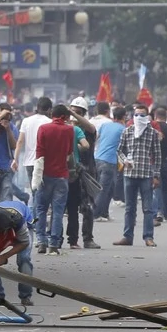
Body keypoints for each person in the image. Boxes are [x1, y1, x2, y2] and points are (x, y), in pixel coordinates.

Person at [113, 104, 162, 248]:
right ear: (132, 116)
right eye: (136, 115)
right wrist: (125, 161)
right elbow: (119, 151)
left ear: (147, 117)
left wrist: (156, 175)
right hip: (129, 174)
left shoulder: (152, 133)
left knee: (147, 209)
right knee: (129, 208)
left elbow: (157, 156)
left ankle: (148, 237)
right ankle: (127, 236)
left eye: (142, 115)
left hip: (146, 174)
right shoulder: (127, 132)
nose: (139, 118)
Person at [33, 104, 75, 255]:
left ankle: (41, 241)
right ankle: (54, 243)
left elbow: (39, 151)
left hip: (44, 174)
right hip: (61, 175)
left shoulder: (43, 129)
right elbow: (69, 151)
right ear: (64, 116)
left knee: (41, 209)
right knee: (58, 211)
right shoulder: (69, 130)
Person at [0, 200, 35, 307]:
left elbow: (24, 243)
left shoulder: (18, 221)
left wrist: (4, 256)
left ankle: (25, 296)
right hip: (3, 227)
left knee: (24, 259)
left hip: (24, 227)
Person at [64, 97, 99, 249]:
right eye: (71, 111)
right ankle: (72, 239)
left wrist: (73, 114)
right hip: (70, 171)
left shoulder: (87, 130)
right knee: (71, 206)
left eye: (77, 112)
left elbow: (91, 128)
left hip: (87, 172)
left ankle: (88, 238)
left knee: (87, 207)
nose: (73, 115)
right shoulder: (67, 129)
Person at [93, 106, 127, 221]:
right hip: (110, 161)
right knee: (103, 189)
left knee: (110, 188)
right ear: (124, 117)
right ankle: (96, 214)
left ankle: (104, 213)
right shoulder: (123, 129)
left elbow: (97, 139)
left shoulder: (104, 126)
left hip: (98, 158)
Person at [13, 98, 51, 194]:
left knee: (35, 191)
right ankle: (39, 208)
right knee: (43, 192)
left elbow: (20, 141)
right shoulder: (50, 122)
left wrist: (15, 159)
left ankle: (35, 208)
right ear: (49, 109)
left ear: (37, 107)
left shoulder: (26, 121)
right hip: (44, 162)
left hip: (29, 161)